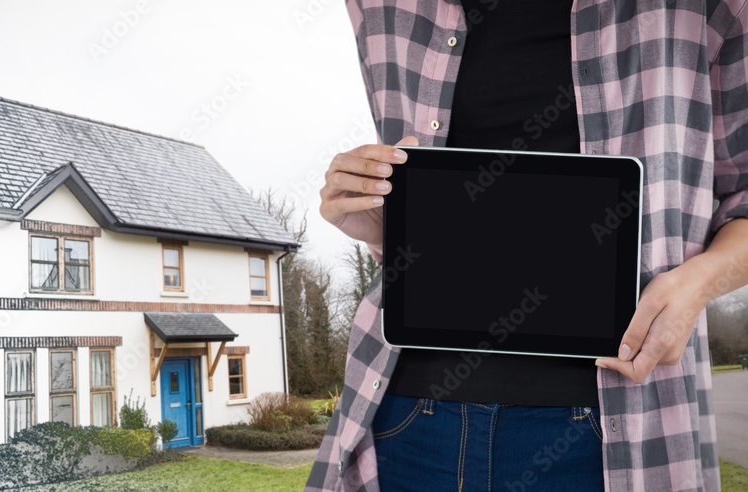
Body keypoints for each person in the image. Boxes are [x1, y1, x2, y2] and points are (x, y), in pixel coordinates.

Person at [306, 1, 747, 491]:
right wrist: (381, 222)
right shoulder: (380, 7)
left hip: (614, 429)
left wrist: (697, 285)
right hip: (406, 417)